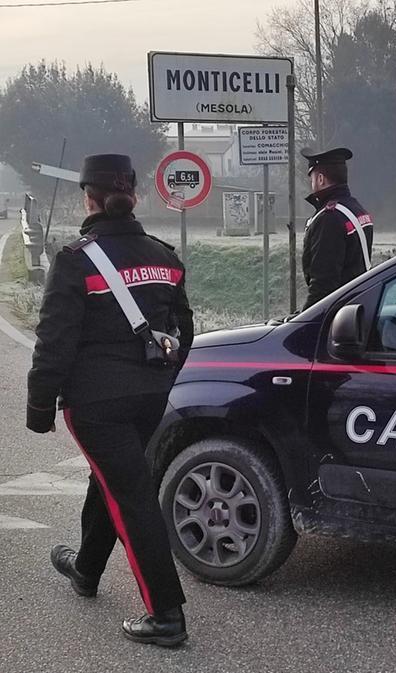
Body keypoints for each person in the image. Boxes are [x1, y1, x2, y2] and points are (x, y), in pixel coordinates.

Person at [25, 154, 194, 647]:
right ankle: (86, 569)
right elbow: (184, 329)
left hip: (96, 404)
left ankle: (166, 616)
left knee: (131, 496)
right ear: (134, 197)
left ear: (89, 199)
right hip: (150, 396)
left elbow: (54, 339)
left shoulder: (76, 260)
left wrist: (39, 406)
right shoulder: (165, 256)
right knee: (117, 478)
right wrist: (165, 377)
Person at [301, 147, 374, 310]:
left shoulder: (329, 219)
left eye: (311, 178)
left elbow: (323, 285)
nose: (311, 183)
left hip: (337, 313)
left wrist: (301, 323)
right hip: (358, 305)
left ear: (320, 179)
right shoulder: (356, 209)